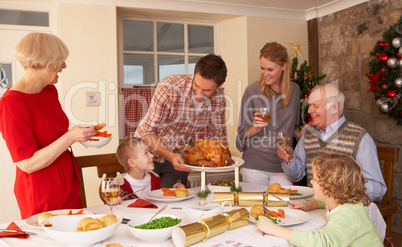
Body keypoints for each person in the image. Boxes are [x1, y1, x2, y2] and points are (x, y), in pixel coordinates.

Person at [0, 32, 95, 219]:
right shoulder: (11, 103)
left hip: (68, 182)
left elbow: (53, 136)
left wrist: (78, 135)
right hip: (42, 190)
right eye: (60, 61)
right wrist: (70, 137)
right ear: (45, 63)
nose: (64, 66)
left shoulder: (50, 91)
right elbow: (26, 164)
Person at [278, 84, 386, 202]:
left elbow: (377, 188)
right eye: (309, 105)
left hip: (344, 211)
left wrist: (343, 197)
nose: (309, 110)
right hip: (312, 207)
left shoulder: (360, 137)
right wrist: (289, 159)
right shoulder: (308, 134)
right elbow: (296, 176)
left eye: (315, 105)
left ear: (334, 107)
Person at [134, 54, 228, 188]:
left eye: (207, 90)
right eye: (196, 85)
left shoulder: (219, 99)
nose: (199, 94)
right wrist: (170, 155)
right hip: (144, 153)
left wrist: (223, 159)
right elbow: (148, 132)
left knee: (176, 202)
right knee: (141, 203)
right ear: (194, 74)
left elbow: (218, 136)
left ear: (220, 85)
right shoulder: (169, 88)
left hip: (177, 158)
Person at [257, 155, 383, 246]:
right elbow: (324, 202)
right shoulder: (342, 201)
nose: (311, 181)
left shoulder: (348, 215)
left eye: (315, 179)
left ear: (330, 188)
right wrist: (308, 205)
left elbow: (322, 242)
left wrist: (274, 229)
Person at [235, 42, 300, 186]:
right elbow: (241, 135)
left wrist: (303, 134)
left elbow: (293, 126)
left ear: (283, 66)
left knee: (284, 205)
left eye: (270, 69)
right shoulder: (252, 90)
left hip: (282, 165)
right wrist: (255, 129)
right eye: (262, 68)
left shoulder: (294, 90)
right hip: (254, 165)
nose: (265, 73)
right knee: (256, 207)